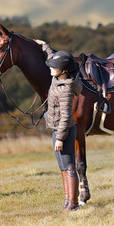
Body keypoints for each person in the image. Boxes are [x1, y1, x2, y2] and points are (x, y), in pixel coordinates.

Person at [45, 50, 83, 211]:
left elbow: (66, 117)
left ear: (64, 71)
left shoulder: (66, 89)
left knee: (69, 167)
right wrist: (44, 45)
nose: (51, 69)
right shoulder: (56, 79)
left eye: (55, 67)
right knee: (63, 167)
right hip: (57, 130)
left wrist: (60, 138)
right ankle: (67, 201)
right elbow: (50, 57)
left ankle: (73, 204)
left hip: (64, 131)